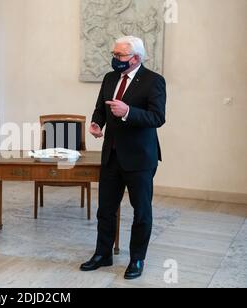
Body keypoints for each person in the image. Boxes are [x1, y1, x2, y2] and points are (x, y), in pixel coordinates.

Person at [80, 36, 166, 279]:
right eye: (114, 54)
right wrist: (97, 123)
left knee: (141, 211)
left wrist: (129, 112)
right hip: (111, 155)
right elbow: (101, 108)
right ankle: (102, 254)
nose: (115, 59)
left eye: (120, 56)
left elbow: (157, 118)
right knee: (105, 209)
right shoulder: (109, 78)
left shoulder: (153, 81)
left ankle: (137, 259)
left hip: (140, 158)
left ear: (136, 58)